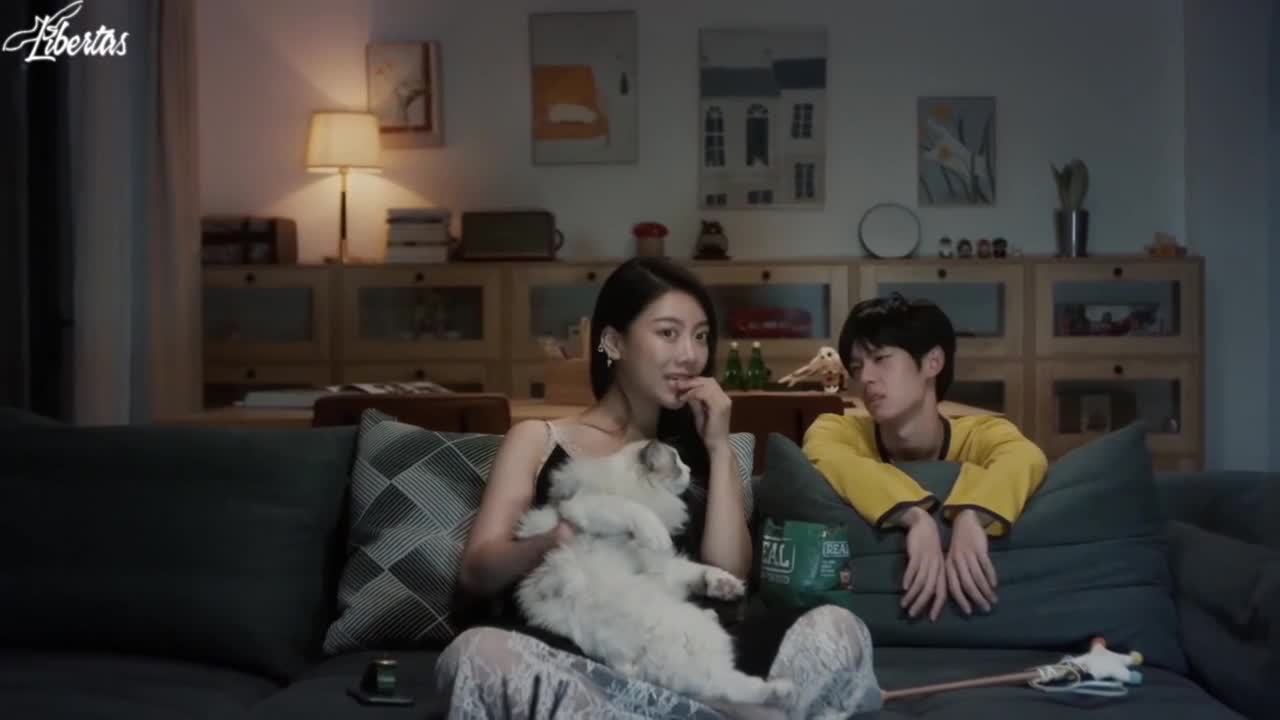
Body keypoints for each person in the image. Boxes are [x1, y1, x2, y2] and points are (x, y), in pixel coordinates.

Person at [434, 257, 882, 719]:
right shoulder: (537, 439)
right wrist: (553, 540)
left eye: (701, 336)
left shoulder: (700, 450)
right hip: (583, 652)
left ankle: (685, 707)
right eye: (668, 333)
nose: (690, 354)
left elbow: (729, 571)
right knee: (477, 655)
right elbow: (476, 573)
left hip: (684, 651)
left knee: (837, 630)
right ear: (614, 342)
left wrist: (719, 447)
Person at [803, 293, 1048, 623]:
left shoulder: (982, 434)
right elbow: (823, 453)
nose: (865, 378)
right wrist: (916, 517)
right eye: (857, 366)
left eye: (881, 358)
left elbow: (1025, 457)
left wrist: (971, 515)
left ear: (933, 362)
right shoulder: (837, 429)